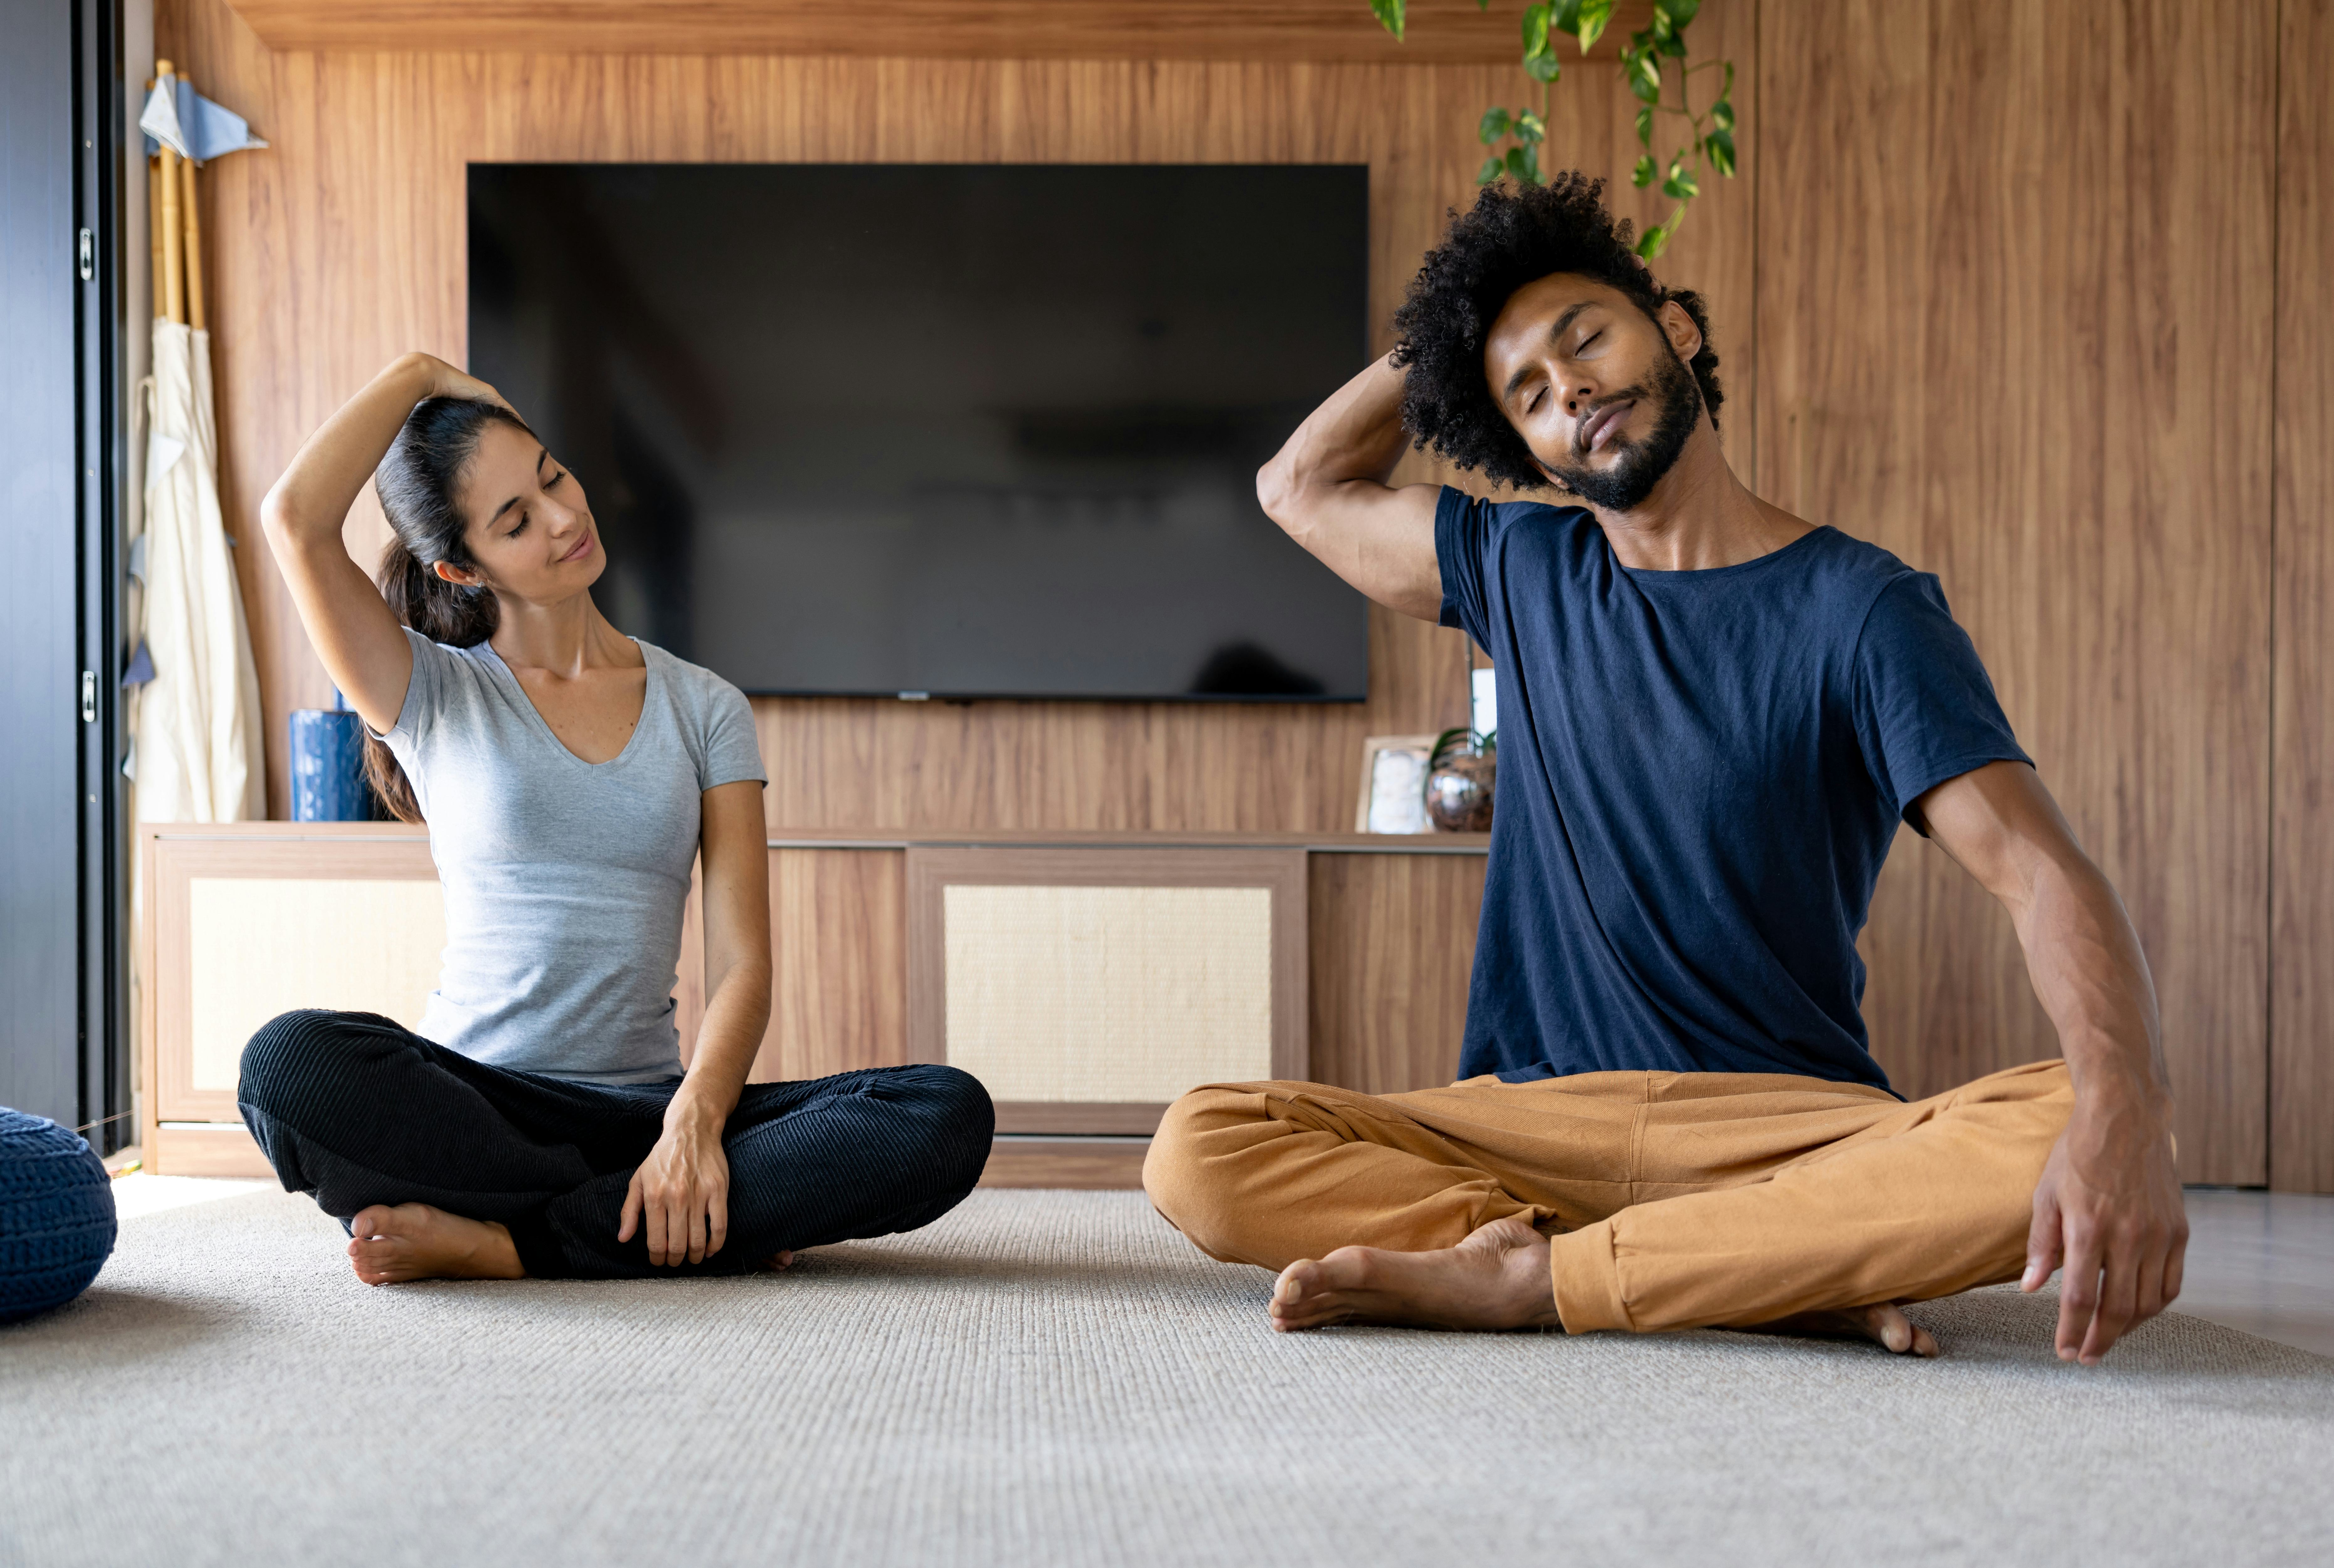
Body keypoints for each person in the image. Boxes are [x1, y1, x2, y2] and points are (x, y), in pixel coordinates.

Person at [1143, 176, 2187, 1363]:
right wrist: (1444, 336)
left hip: (1791, 1128)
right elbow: (1300, 486)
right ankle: (1749, 1265)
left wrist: (2124, 1109)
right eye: (1527, 393)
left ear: (1674, 327)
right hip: (1532, 1122)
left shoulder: (1865, 609)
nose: (1570, 387)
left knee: (2065, 1114)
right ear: (1524, 446)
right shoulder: (1519, 566)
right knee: (1201, 1143)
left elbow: (2041, 874)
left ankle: (1542, 1274)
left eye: (1586, 337)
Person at [244, 352, 993, 1285]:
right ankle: (665, 1221)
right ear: (461, 566)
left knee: (943, 1114)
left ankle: (516, 1241)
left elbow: (743, 965)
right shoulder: (428, 691)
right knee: (286, 1066)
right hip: (479, 1107)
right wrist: (420, 374)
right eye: (516, 519)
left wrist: (694, 1124)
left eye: (554, 475)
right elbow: (295, 521)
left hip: (648, 1110)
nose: (564, 517)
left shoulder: (704, 705)